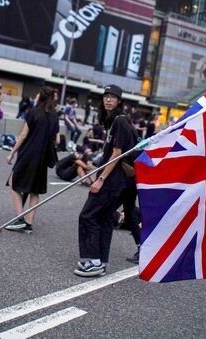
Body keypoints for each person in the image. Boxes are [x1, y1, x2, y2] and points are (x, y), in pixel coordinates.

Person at [75, 84, 136, 277]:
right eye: (106, 96)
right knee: (105, 219)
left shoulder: (119, 121)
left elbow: (117, 154)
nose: (108, 100)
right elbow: (111, 151)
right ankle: (101, 261)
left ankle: (93, 260)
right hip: (117, 179)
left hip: (112, 180)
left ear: (119, 101)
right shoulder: (114, 121)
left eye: (113, 97)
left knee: (88, 215)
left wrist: (100, 178)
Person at [5, 87, 60, 234]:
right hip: (43, 157)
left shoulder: (33, 112)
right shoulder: (54, 115)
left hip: (28, 154)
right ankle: (29, 223)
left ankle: (19, 219)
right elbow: (57, 140)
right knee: (35, 191)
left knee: (13, 182)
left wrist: (11, 153)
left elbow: (23, 136)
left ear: (40, 97)